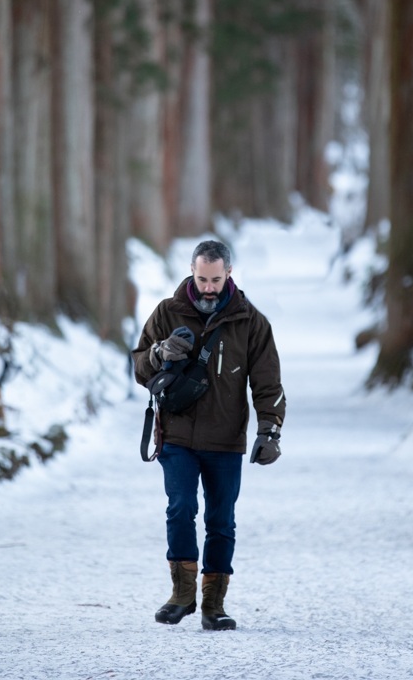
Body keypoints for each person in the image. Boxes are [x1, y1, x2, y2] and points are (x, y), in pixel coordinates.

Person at [132, 238, 285, 631]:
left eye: (216, 279)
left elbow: (267, 383)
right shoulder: (167, 312)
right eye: (202, 278)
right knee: (180, 509)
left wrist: (270, 431)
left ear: (229, 274)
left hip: (225, 440)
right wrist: (159, 353)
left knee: (221, 521)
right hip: (177, 434)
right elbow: (138, 366)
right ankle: (181, 595)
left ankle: (213, 605)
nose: (208, 287)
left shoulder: (251, 322)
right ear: (192, 272)